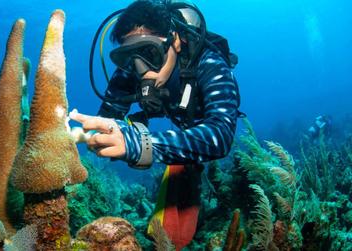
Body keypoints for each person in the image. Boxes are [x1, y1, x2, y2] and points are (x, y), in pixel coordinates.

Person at [70, 1, 241, 249]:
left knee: (190, 164)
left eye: (149, 53)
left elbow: (221, 135)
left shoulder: (210, 64)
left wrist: (141, 144)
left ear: (175, 42)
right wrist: (91, 134)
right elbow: (106, 120)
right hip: (178, 127)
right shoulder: (128, 73)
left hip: (199, 121)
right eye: (129, 58)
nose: (141, 71)